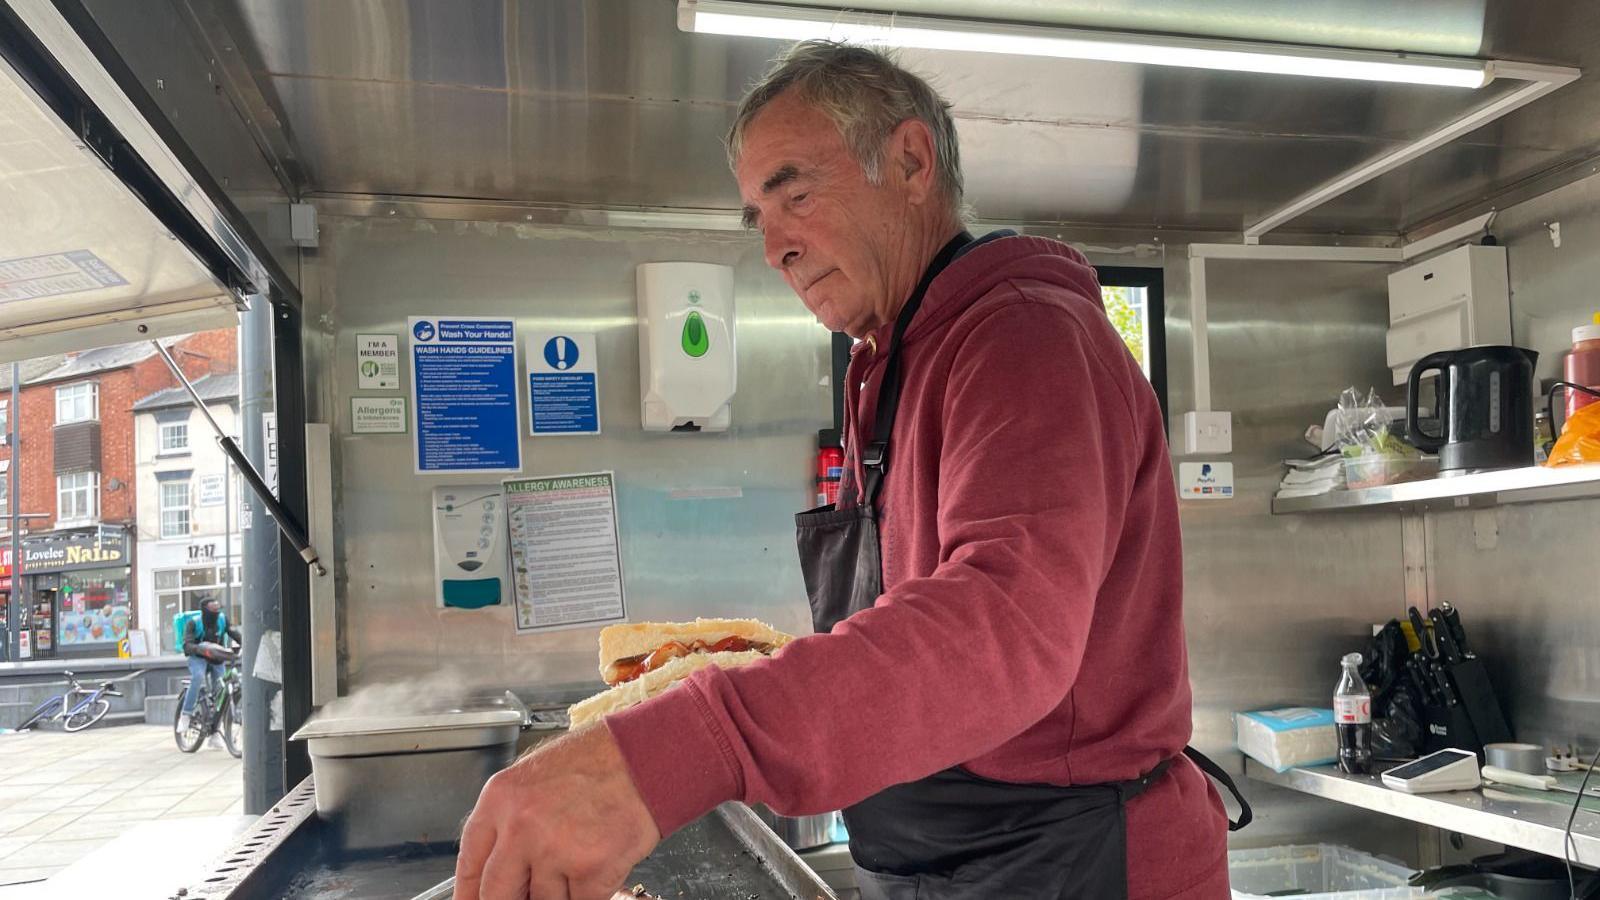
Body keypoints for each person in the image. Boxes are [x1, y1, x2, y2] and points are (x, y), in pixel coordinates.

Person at [454, 41, 1248, 900]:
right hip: (951, 863)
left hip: (1083, 865)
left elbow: (1003, 627)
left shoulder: (1025, 338)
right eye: (759, 218)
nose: (776, 249)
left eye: (795, 195)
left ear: (911, 161)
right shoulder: (889, 363)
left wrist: (682, 748)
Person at [179, 596, 239, 749]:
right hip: (198, 658)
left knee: (220, 690)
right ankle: (185, 715)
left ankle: (214, 733)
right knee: (198, 677)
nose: (216, 610)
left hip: (216, 658)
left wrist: (245, 643)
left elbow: (234, 633)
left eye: (217, 607)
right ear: (205, 608)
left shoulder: (222, 620)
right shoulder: (194, 622)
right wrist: (199, 649)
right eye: (212, 607)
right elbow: (186, 645)